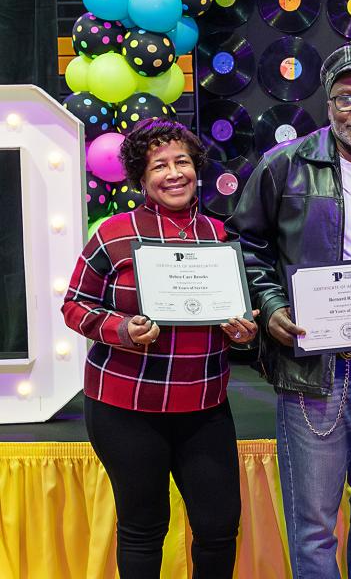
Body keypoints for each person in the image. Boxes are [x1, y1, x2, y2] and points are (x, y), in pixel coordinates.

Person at [225, 44, 351, 578]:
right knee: (315, 527)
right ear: (327, 103)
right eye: (345, 98)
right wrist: (269, 306)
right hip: (314, 372)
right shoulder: (283, 166)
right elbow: (245, 246)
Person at [62, 119, 257, 578]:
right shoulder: (112, 233)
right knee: (144, 527)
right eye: (159, 166)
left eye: (182, 162)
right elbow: (74, 305)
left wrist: (243, 332)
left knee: (218, 527)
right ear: (141, 177)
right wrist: (122, 329)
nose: (174, 174)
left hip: (204, 405)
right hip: (127, 406)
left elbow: (236, 314)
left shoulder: (218, 236)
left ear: (197, 169)